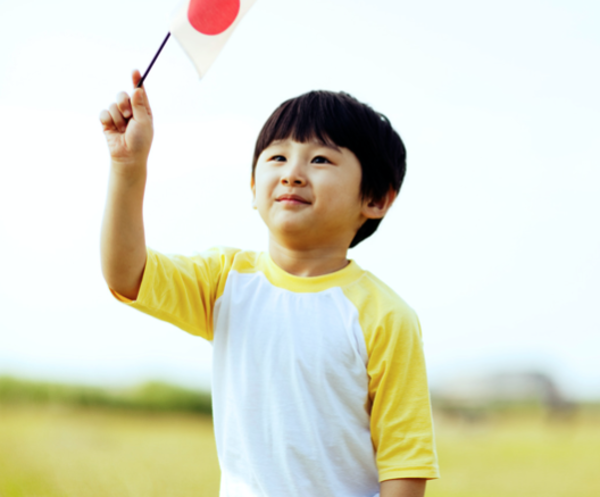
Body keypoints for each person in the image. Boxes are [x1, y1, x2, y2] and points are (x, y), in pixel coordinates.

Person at [99, 70, 439, 497]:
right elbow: (127, 273)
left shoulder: (386, 316)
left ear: (376, 198)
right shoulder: (226, 280)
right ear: (253, 185)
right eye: (277, 158)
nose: (292, 173)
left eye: (320, 160)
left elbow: (404, 463)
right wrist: (128, 169)